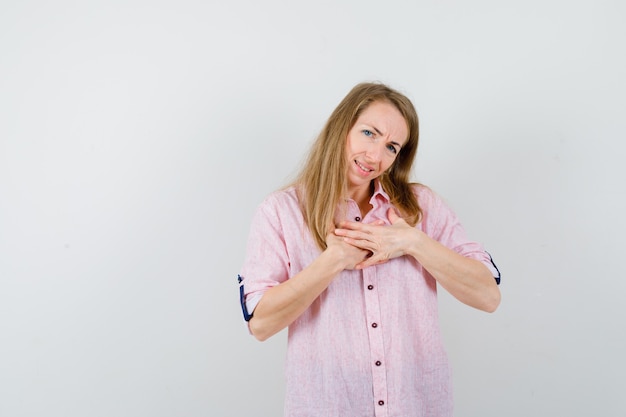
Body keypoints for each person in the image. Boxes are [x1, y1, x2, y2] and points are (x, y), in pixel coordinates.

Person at [237, 82, 501, 417]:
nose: (375, 156)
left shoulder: (422, 208)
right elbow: (260, 324)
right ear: (342, 127)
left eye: (392, 147)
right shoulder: (280, 212)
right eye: (369, 133)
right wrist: (332, 262)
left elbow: (488, 296)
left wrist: (412, 242)